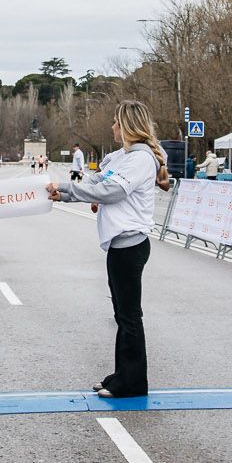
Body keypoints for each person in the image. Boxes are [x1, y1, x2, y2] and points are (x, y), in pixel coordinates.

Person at [47, 100, 172, 398]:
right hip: (119, 244)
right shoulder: (124, 157)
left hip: (130, 244)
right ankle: (122, 375)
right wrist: (60, 190)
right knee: (121, 314)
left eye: (116, 121)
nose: (112, 126)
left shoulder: (140, 159)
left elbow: (111, 191)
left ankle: (132, 383)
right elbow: (97, 181)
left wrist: (67, 191)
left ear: (128, 125)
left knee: (129, 316)